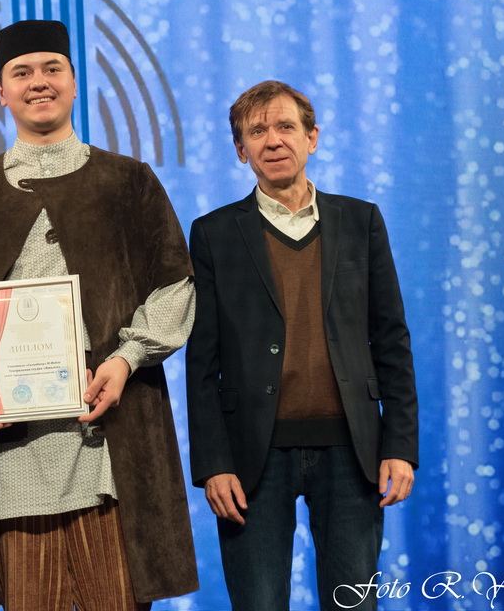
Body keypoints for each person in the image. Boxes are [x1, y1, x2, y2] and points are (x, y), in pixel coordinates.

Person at [0, 19, 199, 611]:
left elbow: (175, 285)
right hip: (14, 455)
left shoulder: (127, 180)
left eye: (52, 69)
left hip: (111, 447)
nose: (38, 82)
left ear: (75, 84)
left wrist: (125, 360)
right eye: (21, 73)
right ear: (1, 92)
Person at [185, 81, 419, 610]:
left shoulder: (361, 221)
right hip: (251, 457)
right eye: (257, 131)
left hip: (352, 451)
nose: (273, 140)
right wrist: (213, 463)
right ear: (241, 150)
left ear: (312, 138)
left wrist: (400, 445)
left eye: (286, 127)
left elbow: (391, 340)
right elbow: (201, 362)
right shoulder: (213, 234)